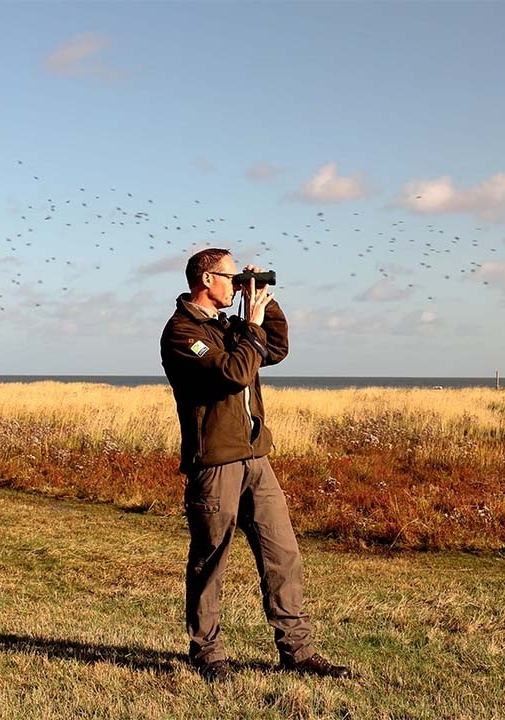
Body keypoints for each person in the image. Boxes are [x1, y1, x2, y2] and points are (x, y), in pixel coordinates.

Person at [160, 247, 349, 682]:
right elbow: (232, 373)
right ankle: (207, 654)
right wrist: (251, 326)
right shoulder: (182, 332)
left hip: (255, 459)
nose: (236, 284)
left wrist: (264, 302)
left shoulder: (229, 327)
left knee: (282, 554)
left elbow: (275, 348)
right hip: (215, 464)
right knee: (211, 559)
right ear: (207, 279)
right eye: (231, 277)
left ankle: (297, 653)